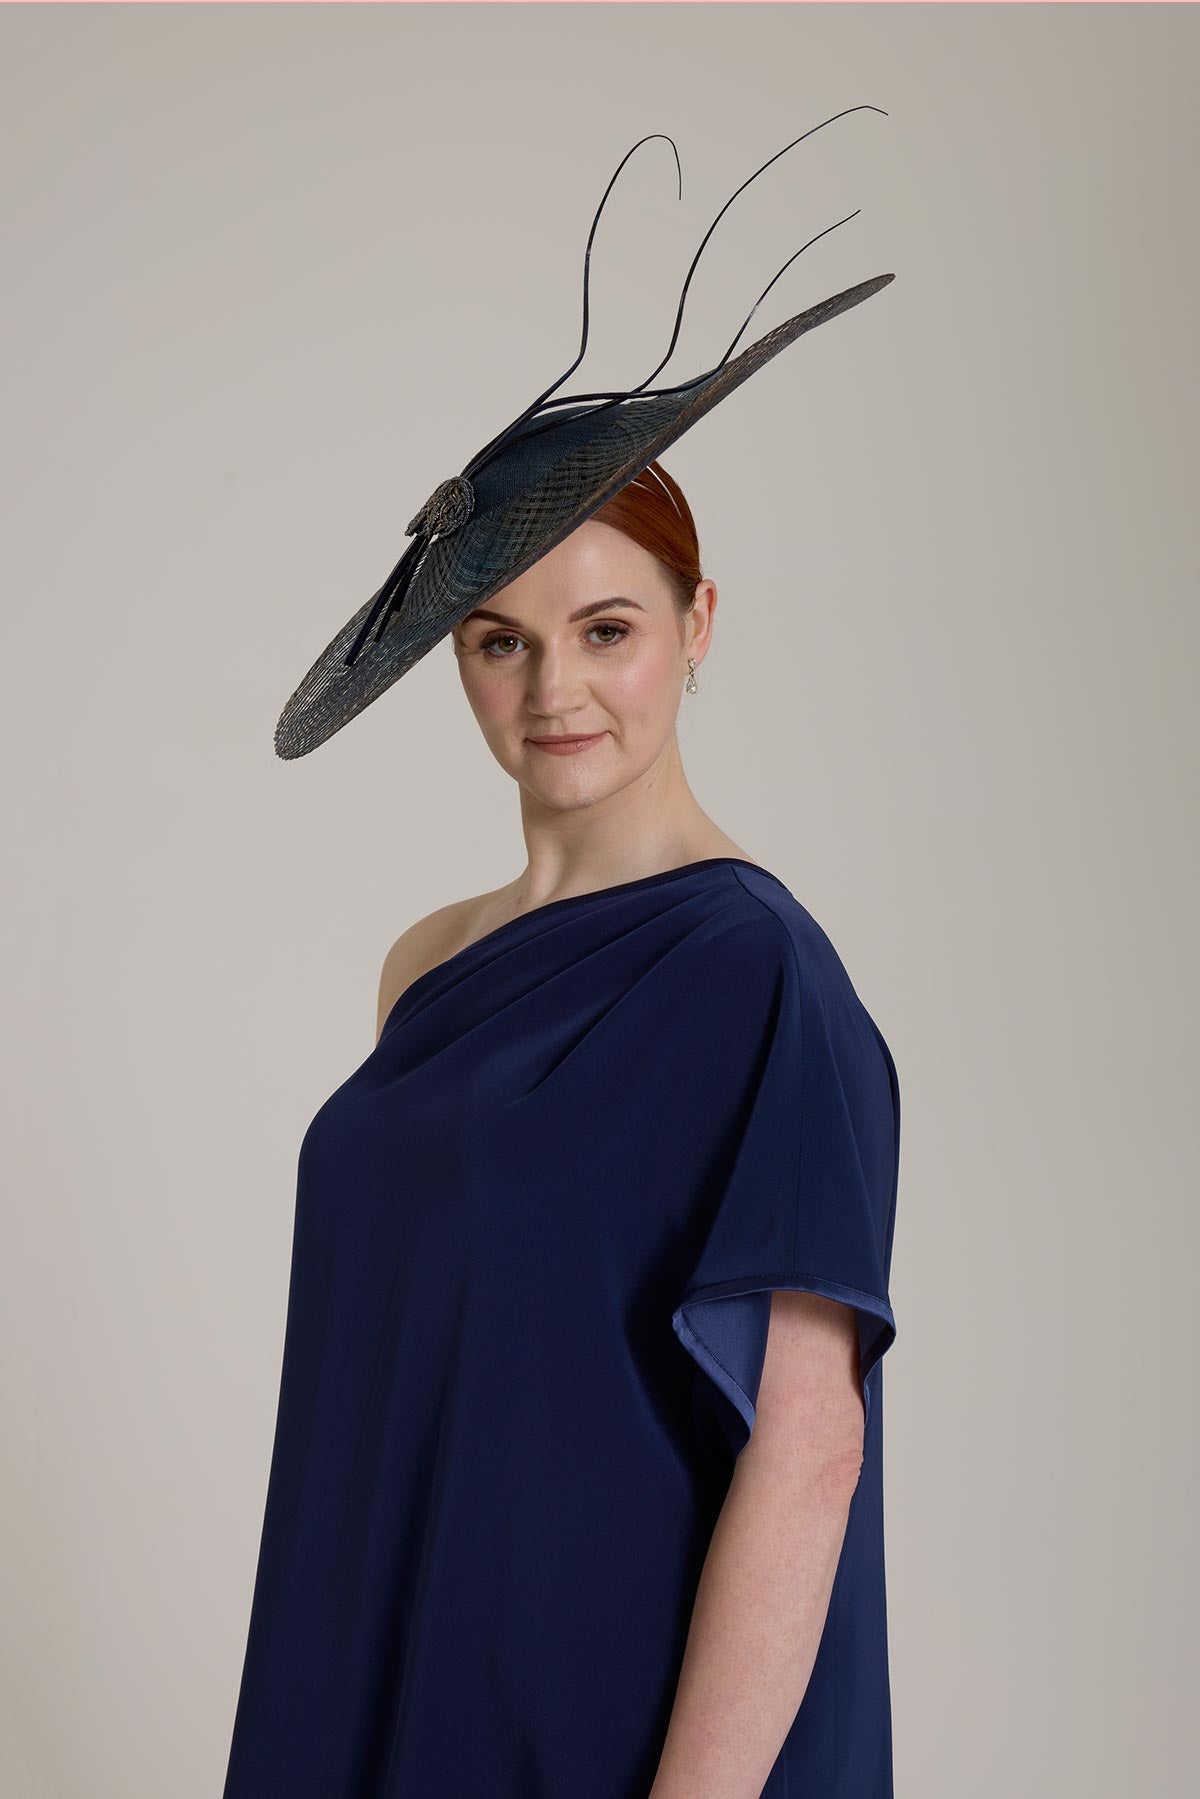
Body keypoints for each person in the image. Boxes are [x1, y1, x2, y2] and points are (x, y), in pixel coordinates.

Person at [226, 122, 900, 1798]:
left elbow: (808, 1447)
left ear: (698, 626)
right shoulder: (427, 967)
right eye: (500, 642)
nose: (553, 693)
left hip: (602, 1728)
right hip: (377, 1660)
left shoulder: (758, 974)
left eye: (606, 630)